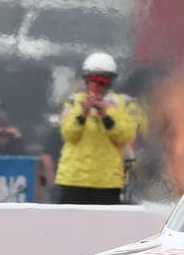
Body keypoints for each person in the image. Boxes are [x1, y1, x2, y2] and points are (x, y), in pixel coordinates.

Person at [55, 51, 136, 204]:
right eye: (92, 80)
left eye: (102, 81)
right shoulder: (74, 102)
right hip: (74, 179)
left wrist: (105, 115)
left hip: (107, 181)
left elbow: (126, 136)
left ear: (110, 81)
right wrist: (83, 114)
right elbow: (69, 134)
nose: (96, 86)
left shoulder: (121, 104)